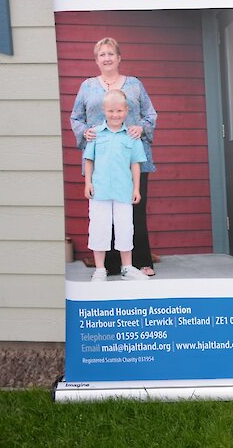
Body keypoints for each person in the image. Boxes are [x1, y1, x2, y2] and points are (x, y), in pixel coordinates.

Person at [70, 38, 158, 276]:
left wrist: (140, 128)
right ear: (96, 60)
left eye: (111, 53)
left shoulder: (135, 85)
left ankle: (140, 262)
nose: (107, 58)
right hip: (100, 159)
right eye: (102, 54)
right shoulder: (87, 87)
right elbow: (76, 118)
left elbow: (150, 114)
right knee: (102, 214)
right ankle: (108, 265)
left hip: (131, 157)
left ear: (119, 57)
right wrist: (83, 131)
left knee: (133, 212)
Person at [83, 90, 149, 282]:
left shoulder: (131, 136)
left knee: (125, 228)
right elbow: (89, 159)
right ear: (104, 110)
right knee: (99, 228)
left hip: (123, 191)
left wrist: (136, 188)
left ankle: (127, 268)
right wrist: (87, 183)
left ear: (126, 110)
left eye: (119, 110)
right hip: (100, 191)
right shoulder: (95, 134)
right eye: (111, 111)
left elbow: (136, 164)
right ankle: (100, 269)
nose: (115, 115)